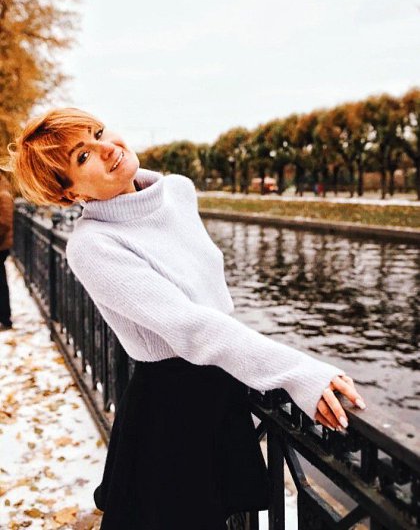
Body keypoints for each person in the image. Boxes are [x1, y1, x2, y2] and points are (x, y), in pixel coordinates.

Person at [6, 107, 366, 529]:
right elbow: (190, 326)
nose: (106, 149)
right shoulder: (92, 245)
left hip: (223, 385)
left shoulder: (177, 191)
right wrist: (299, 372)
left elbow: (210, 300)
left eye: (98, 132)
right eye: (82, 156)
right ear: (70, 195)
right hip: (173, 408)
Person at [0, 171, 14, 330]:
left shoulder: (3, 194)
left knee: (1, 283)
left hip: (1, 245)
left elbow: (4, 223)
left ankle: (5, 317)